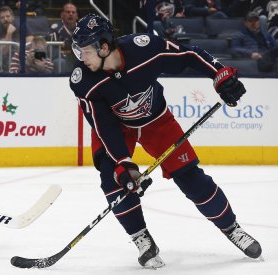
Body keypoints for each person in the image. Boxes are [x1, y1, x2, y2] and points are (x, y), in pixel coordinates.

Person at [69, 14, 261, 268]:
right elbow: (103, 126)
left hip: (156, 121)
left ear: (104, 47)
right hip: (117, 129)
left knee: (191, 179)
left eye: (85, 51)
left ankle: (232, 228)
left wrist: (220, 74)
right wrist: (123, 163)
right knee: (113, 178)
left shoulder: (144, 48)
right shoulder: (84, 81)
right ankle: (141, 239)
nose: (81, 58)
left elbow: (189, 54)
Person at [48, 2, 78, 72]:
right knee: (60, 61)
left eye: (73, 12)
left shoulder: (82, 29)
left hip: (78, 57)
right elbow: (52, 51)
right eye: (68, 12)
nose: (71, 14)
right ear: (62, 15)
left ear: (76, 16)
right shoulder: (55, 29)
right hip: (63, 58)